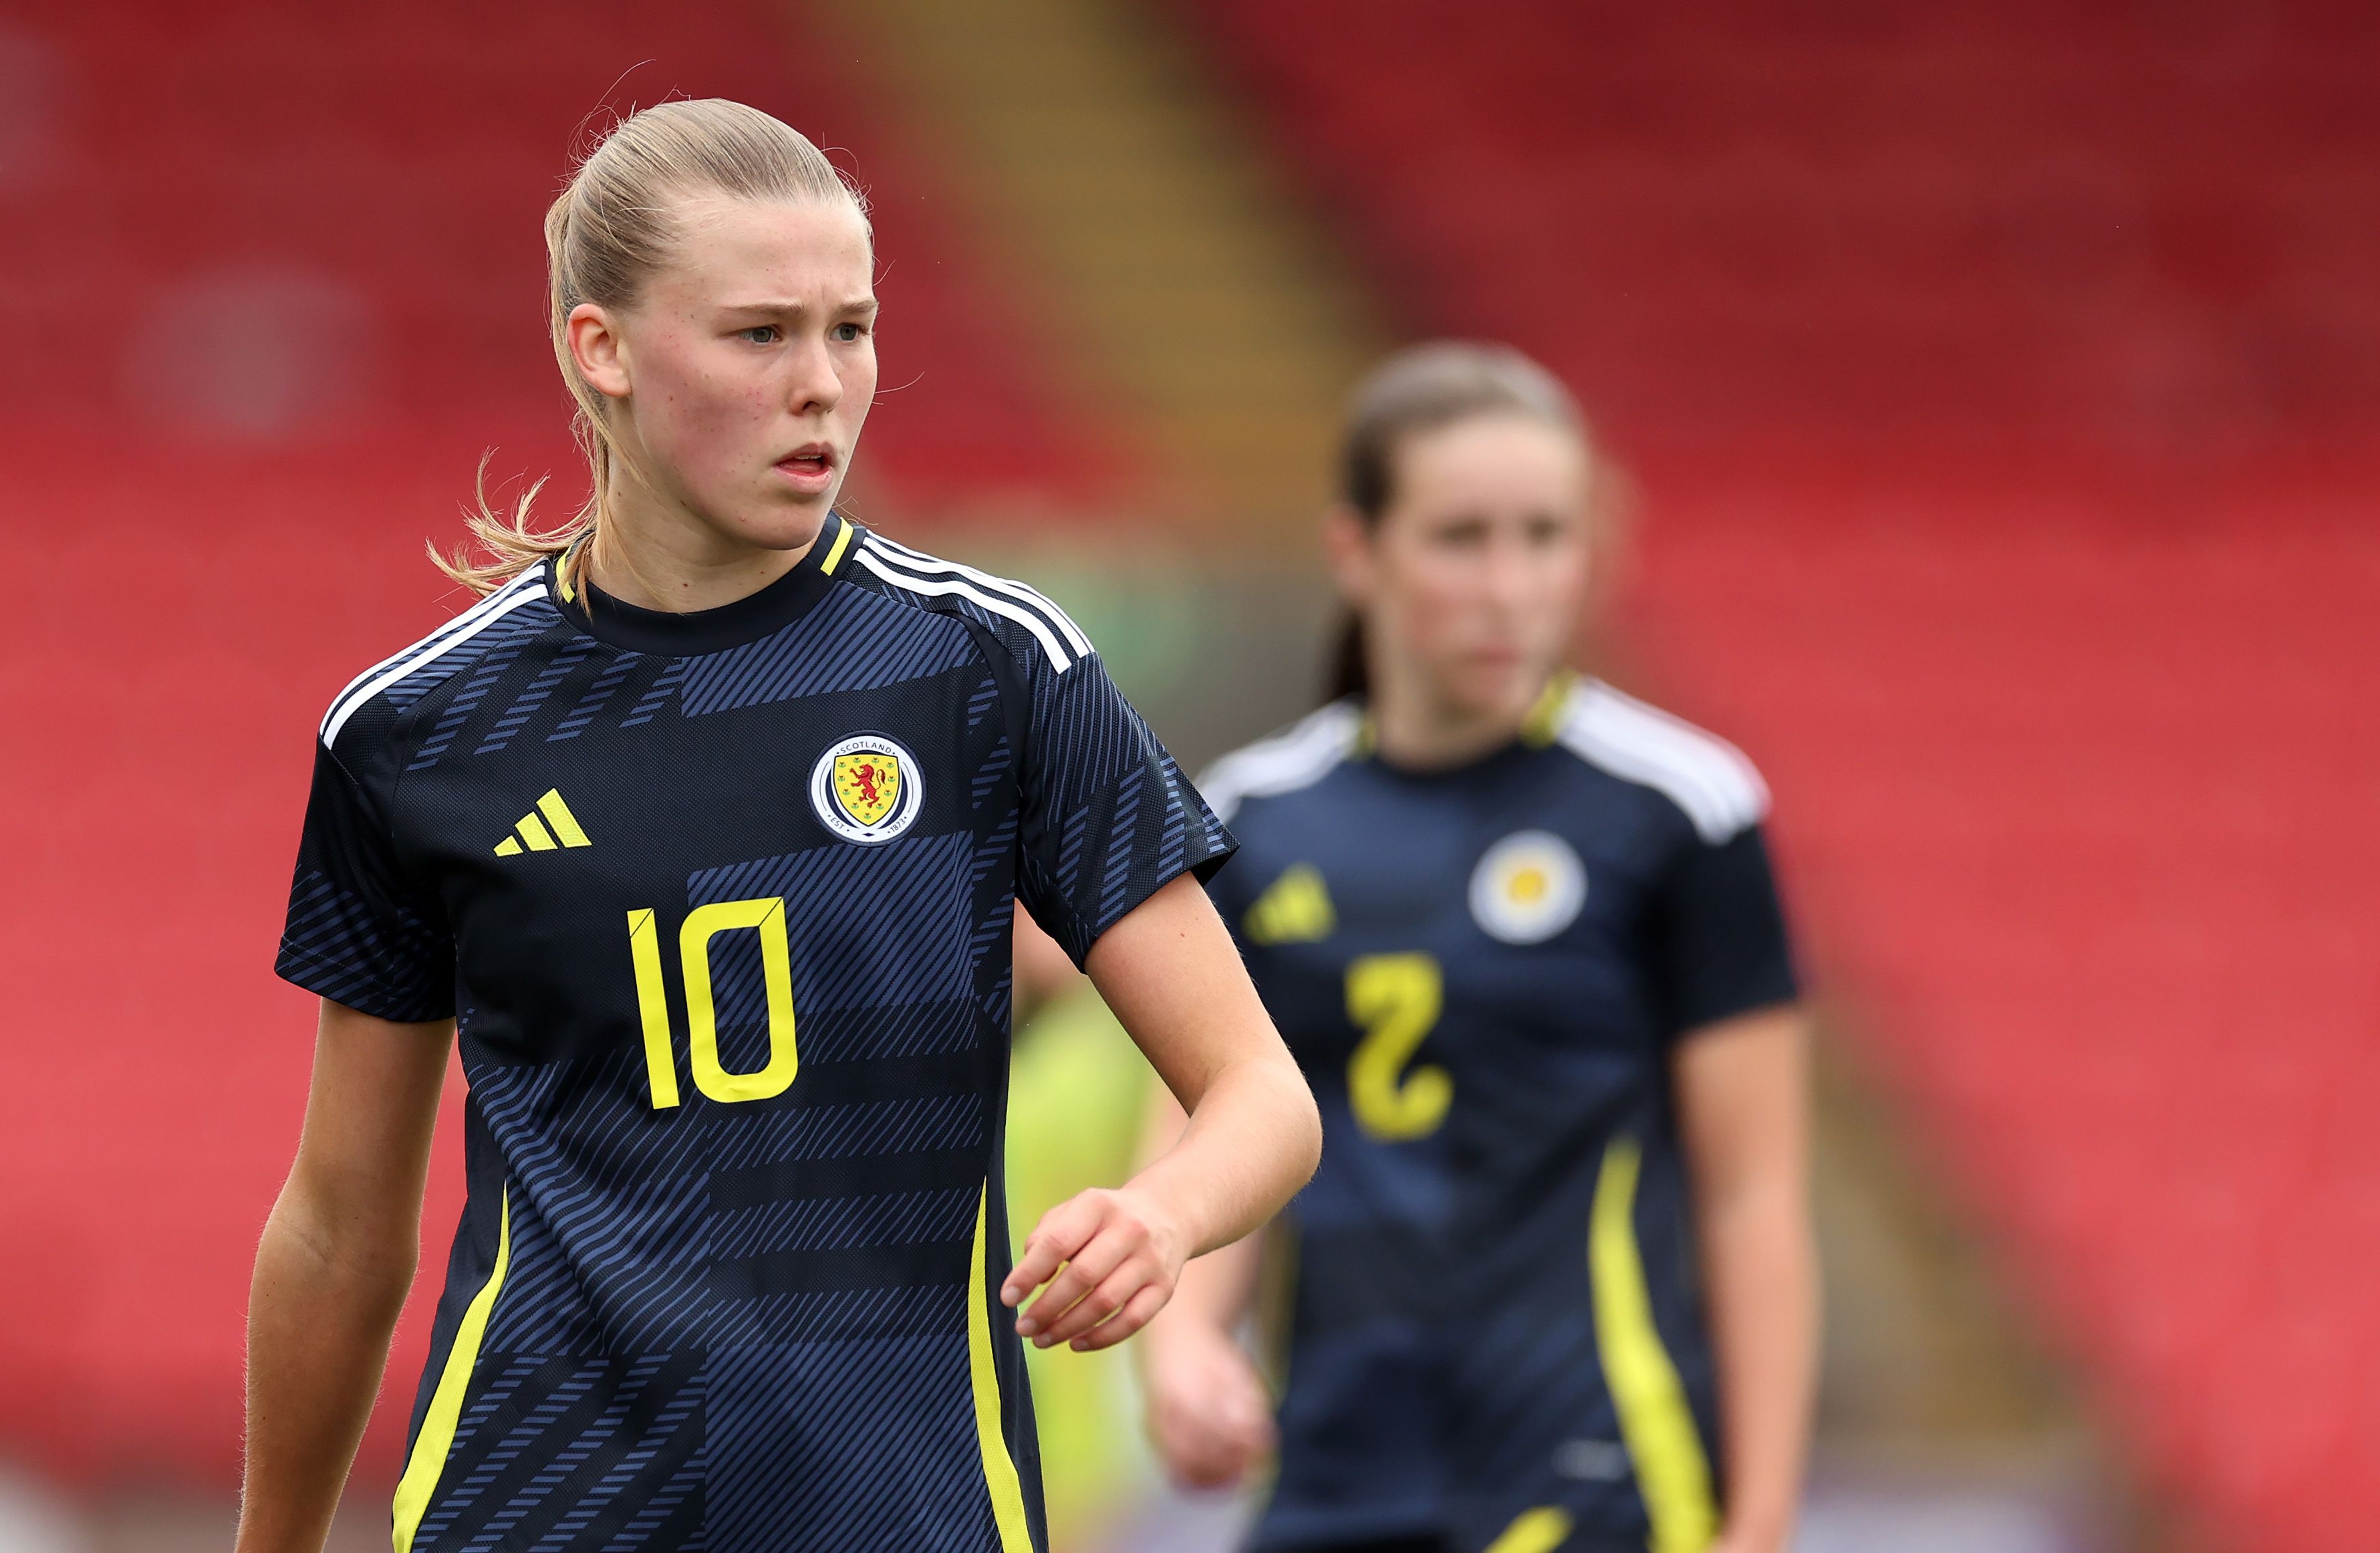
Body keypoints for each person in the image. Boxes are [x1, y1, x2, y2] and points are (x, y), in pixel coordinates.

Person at [233, 99, 1320, 1553]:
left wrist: (1165, 1215)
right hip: (536, 1511)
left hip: (903, 1520)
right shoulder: (419, 734)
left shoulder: (989, 668)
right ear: (602, 349)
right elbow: (338, 1228)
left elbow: (1261, 1093)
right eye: (759, 335)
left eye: (849, 331)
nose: (822, 386)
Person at [1136, 344, 1816, 1553]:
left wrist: (1758, 1520)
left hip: (1598, 1473)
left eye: (1543, 537)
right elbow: (1200, 1143)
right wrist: (1180, 1349)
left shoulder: (1680, 811)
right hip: (1332, 1476)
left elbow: (1752, 1192)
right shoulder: (1246, 821)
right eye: (1461, 539)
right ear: (1357, 551)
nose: (1509, 587)